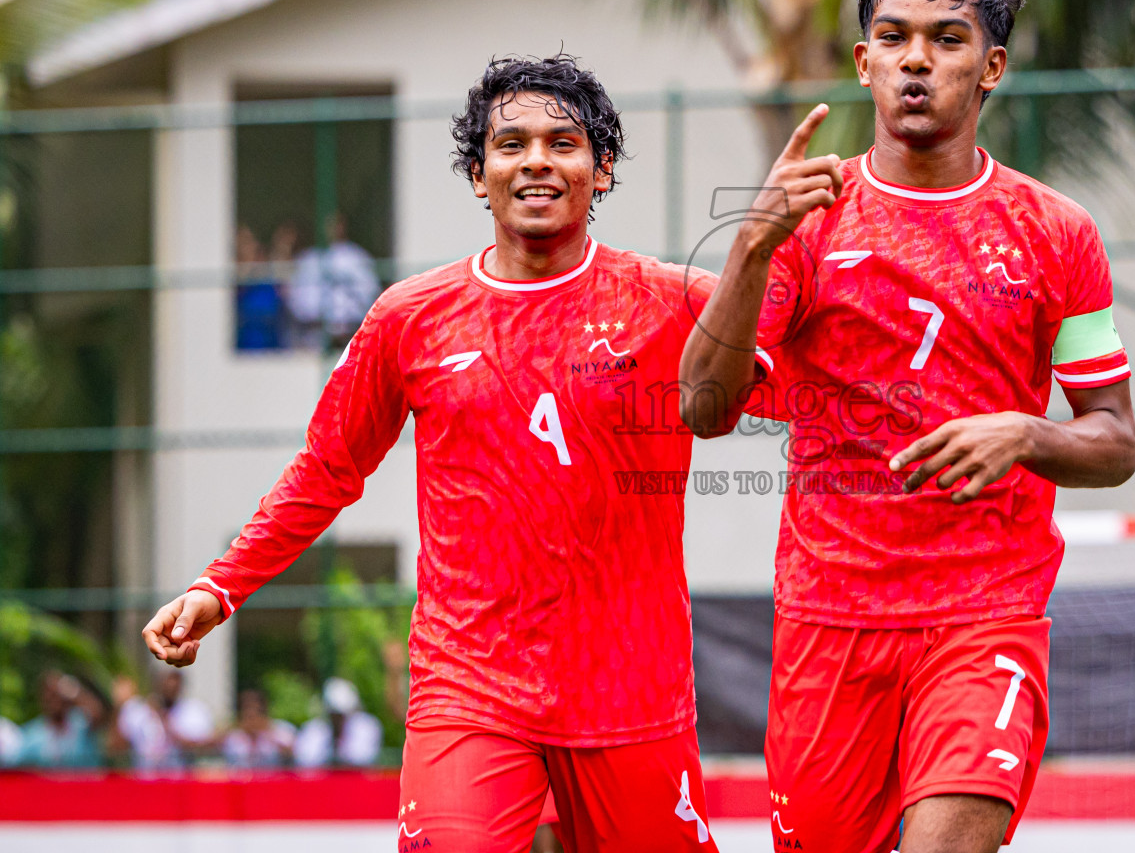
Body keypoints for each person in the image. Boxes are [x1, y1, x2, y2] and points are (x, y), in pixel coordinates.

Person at [142, 55, 739, 852]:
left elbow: (823, 383)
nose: (535, 160)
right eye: (511, 144)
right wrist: (222, 585)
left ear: (600, 174)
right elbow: (327, 469)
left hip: (631, 691)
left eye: (564, 144)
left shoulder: (669, 301)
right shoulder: (410, 318)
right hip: (471, 687)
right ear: (477, 174)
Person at [679, 0, 1135, 853]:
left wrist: (1024, 433)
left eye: (947, 39)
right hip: (829, 622)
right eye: (893, 38)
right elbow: (703, 406)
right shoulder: (808, 220)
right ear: (865, 63)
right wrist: (753, 244)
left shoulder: (1058, 234)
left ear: (991, 68)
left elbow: (1114, 439)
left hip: (985, 615)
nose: (917, 59)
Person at [286, 212, 382, 349]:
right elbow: (296, 299)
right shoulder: (308, 259)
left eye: (335, 224)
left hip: (351, 334)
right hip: (314, 336)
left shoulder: (356, 257)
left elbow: (371, 293)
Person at [11, 672, 105, 768]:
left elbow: (97, 713)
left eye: (57, 695)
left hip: (85, 781)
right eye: (49, 695)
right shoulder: (33, 734)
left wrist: (73, 691)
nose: (54, 700)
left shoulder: (80, 723)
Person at [293, 678, 381, 768]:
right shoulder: (315, 728)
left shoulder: (365, 726)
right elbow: (305, 759)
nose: (337, 718)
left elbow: (362, 757)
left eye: (340, 715)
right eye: (333, 714)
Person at [223, 689, 297, 768]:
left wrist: (268, 732)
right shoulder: (234, 733)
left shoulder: (281, 728)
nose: (252, 717)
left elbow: (294, 752)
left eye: (256, 711)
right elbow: (210, 743)